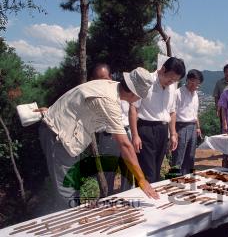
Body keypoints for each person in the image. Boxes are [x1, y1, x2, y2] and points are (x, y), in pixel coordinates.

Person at [38, 67, 159, 208]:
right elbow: (125, 145)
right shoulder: (109, 100)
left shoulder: (111, 86)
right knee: (66, 190)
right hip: (58, 136)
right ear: (134, 94)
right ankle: (65, 225)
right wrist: (142, 180)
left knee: (71, 184)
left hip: (65, 135)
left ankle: (71, 215)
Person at [129, 57, 186, 183]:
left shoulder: (171, 86)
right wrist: (135, 135)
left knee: (156, 170)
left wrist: (173, 134)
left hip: (163, 130)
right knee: (147, 173)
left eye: (175, 80)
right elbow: (133, 108)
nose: (171, 82)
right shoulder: (146, 80)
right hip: (146, 129)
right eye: (170, 78)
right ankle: (144, 199)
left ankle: (152, 199)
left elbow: (172, 111)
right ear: (163, 69)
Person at [89, 64, 134, 195]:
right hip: (108, 137)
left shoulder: (121, 89)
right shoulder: (94, 94)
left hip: (126, 133)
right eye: (97, 79)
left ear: (110, 76)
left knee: (128, 171)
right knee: (108, 172)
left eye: (104, 77)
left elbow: (131, 110)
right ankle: (107, 199)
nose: (101, 81)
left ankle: (127, 198)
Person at [171, 69, 203, 175]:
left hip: (193, 127)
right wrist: (173, 132)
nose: (196, 85)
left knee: (190, 156)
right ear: (189, 80)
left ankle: (187, 178)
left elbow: (195, 113)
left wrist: (198, 128)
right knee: (178, 156)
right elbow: (173, 113)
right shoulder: (178, 93)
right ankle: (173, 180)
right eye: (195, 82)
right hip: (181, 127)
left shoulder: (196, 95)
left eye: (198, 83)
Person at [213, 63, 228, 132]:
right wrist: (217, 109)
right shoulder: (219, 83)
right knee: (224, 128)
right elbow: (216, 96)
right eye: (226, 72)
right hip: (223, 110)